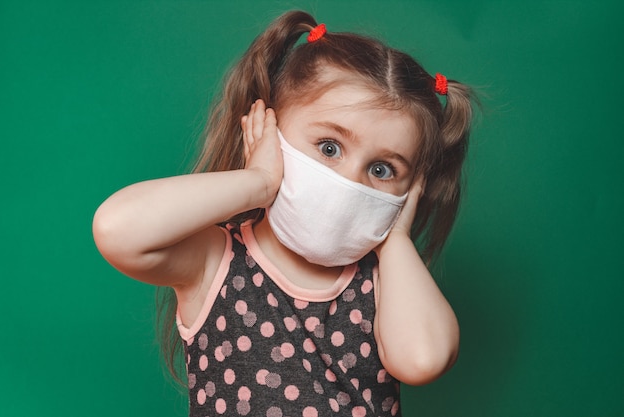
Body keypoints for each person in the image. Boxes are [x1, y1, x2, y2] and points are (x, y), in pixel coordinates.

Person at [93, 10, 474, 417]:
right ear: (272, 133)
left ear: (410, 190)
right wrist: (257, 180)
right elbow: (117, 228)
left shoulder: (386, 284)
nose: (350, 183)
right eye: (329, 147)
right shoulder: (215, 263)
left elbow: (422, 360)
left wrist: (396, 241)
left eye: (382, 170)